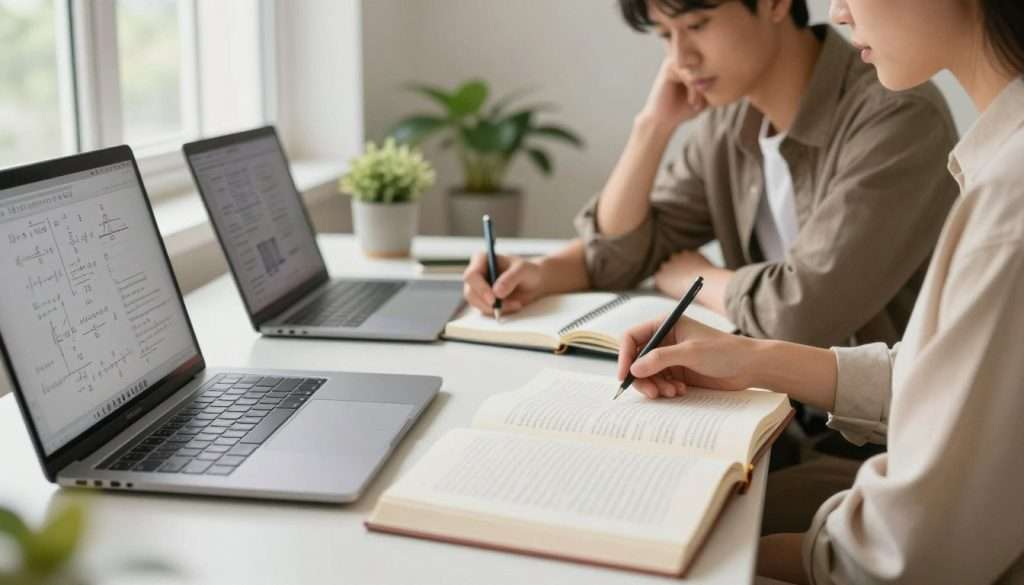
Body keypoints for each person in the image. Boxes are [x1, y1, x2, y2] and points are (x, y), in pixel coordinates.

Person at [617, 0, 1024, 581]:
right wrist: (751, 359)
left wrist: (702, 558)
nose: (835, 12)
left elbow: (898, 559)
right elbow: (947, 379)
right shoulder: (999, 169)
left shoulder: (1006, 198)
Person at [463, 0, 958, 350]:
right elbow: (624, 254)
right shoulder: (729, 120)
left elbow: (801, 315)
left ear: (775, 3)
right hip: (765, 407)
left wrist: (701, 279)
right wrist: (651, 128)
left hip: (864, 445)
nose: (680, 60)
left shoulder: (898, 117)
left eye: (697, 25)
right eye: (664, 36)